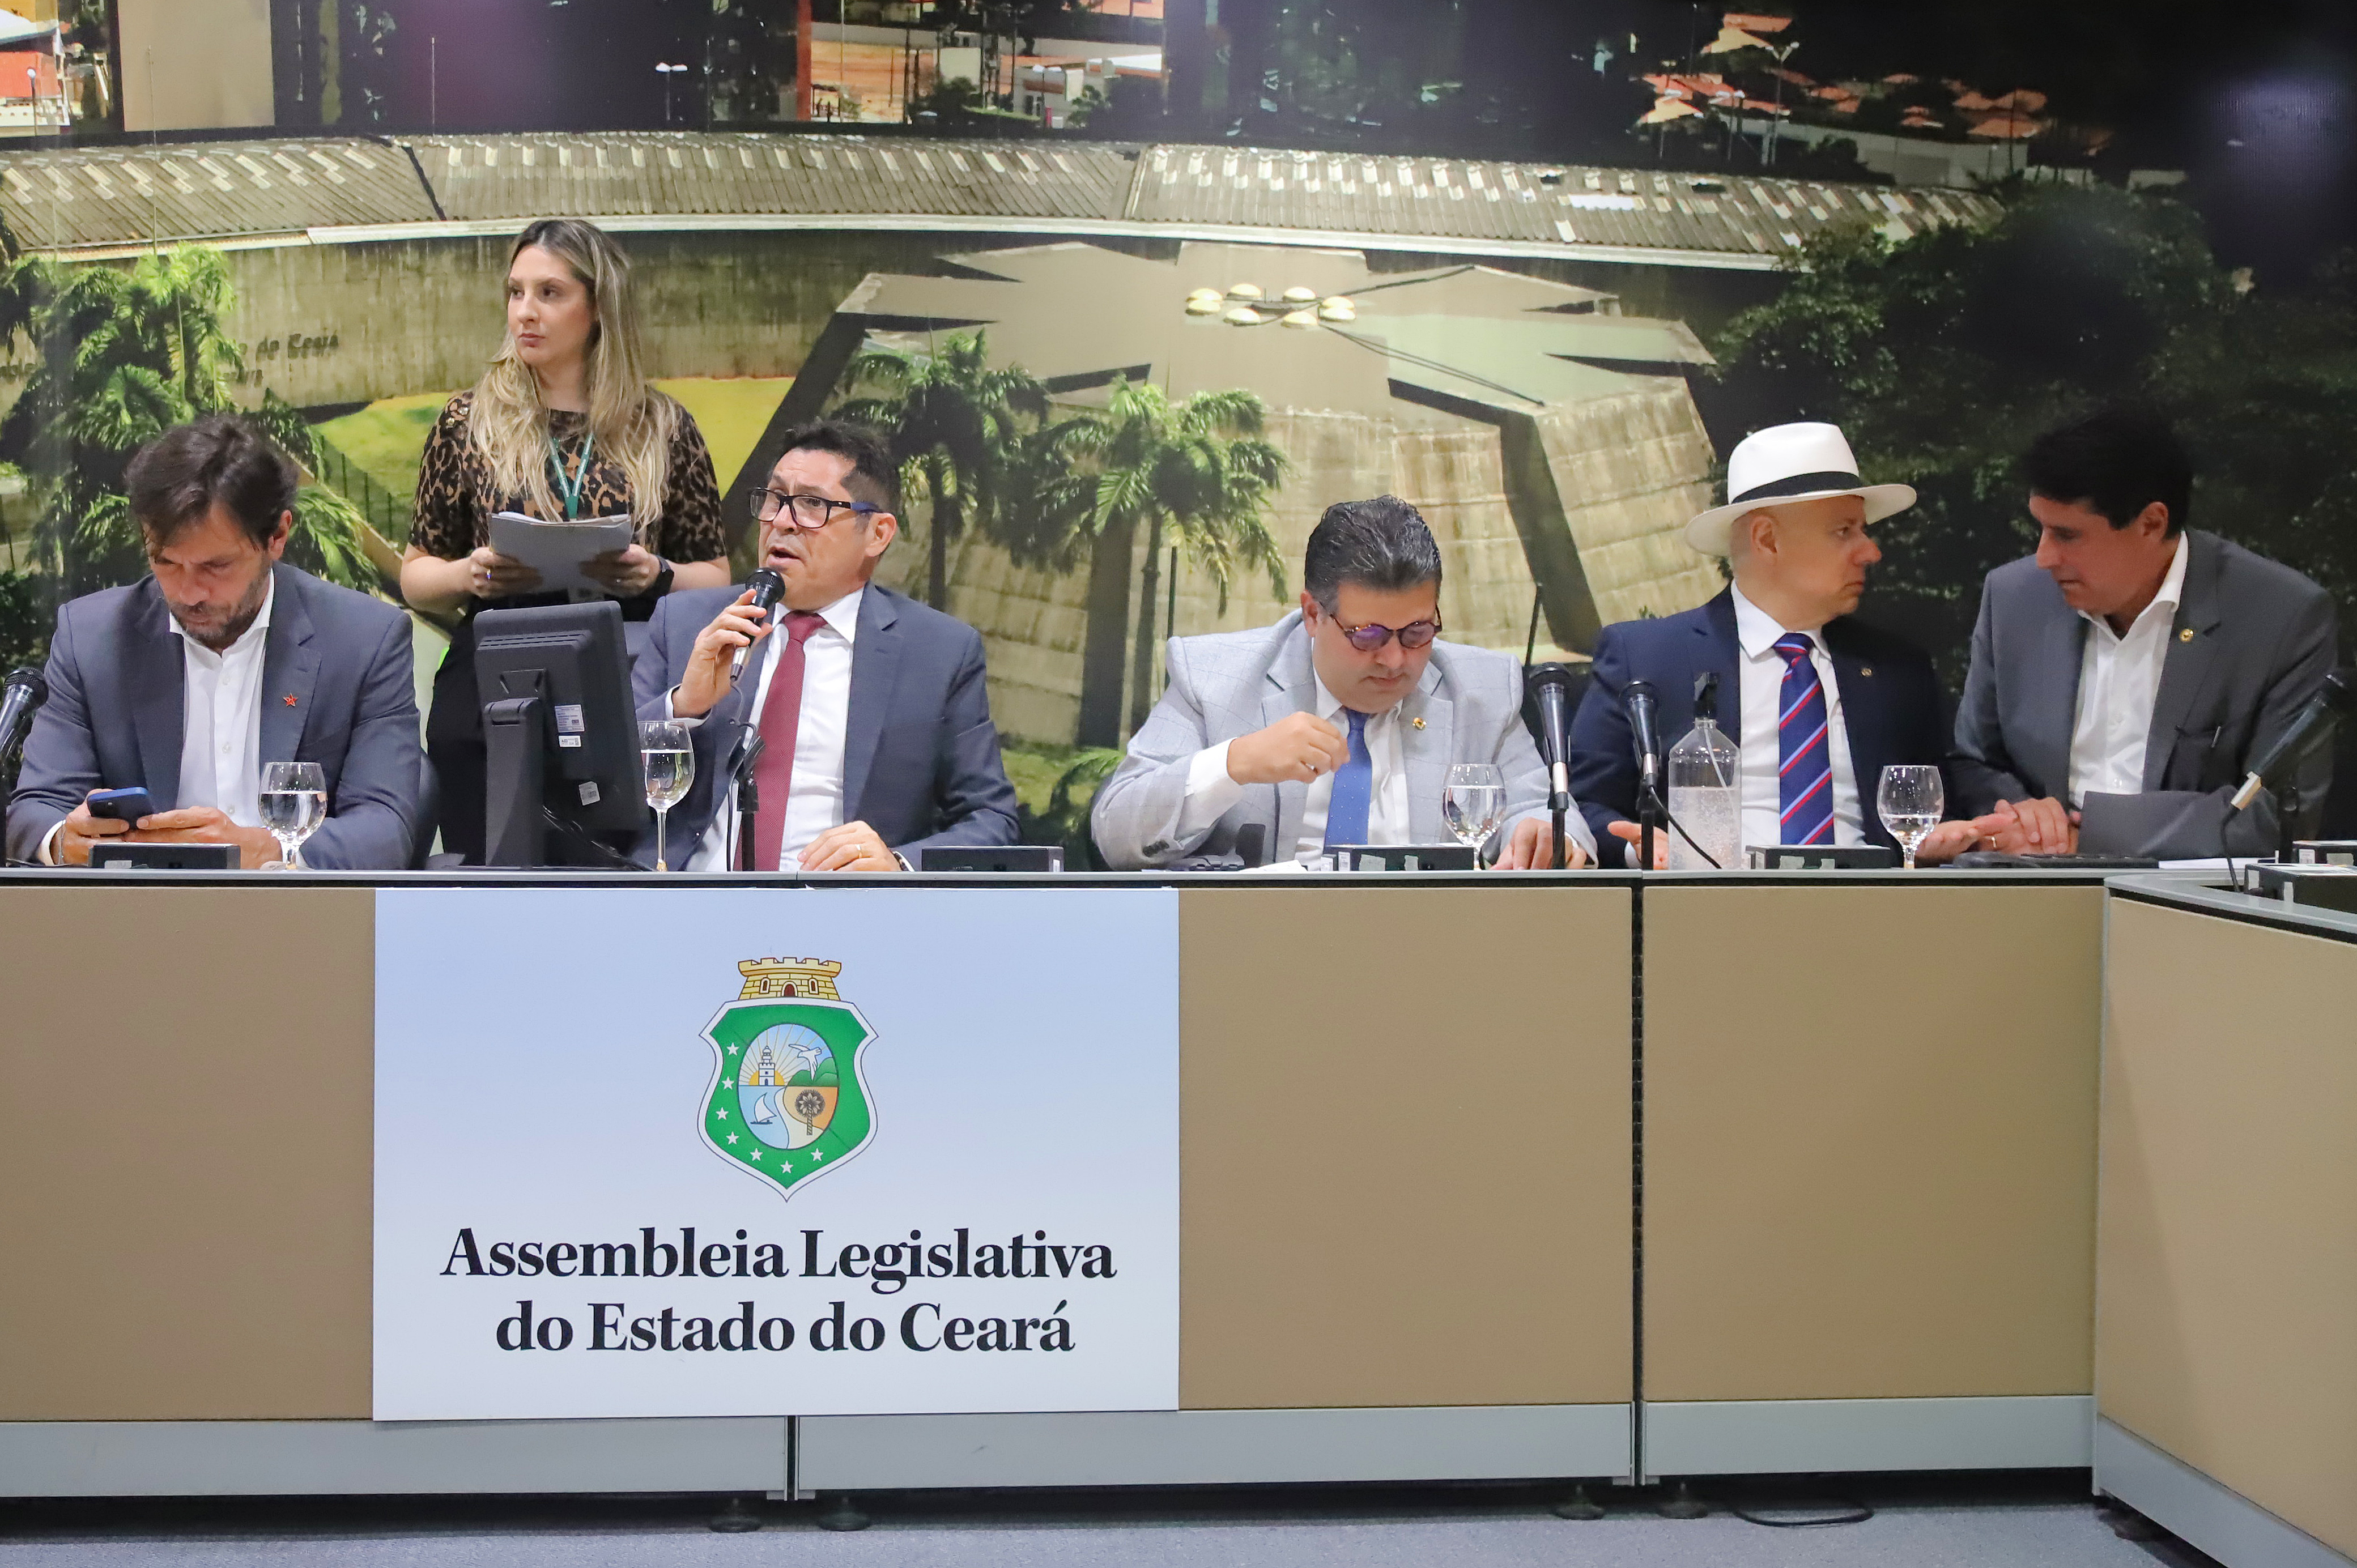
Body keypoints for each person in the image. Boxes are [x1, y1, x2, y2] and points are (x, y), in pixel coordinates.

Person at [401, 218, 731, 863]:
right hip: (495, 671)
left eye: (549, 293)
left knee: (606, 872)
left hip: (624, 671)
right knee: (488, 868)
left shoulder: (663, 426)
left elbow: (715, 575)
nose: (525, 312)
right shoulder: (468, 421)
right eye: (515, 292)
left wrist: (657, 574)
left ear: (598, 306)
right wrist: (469, 573)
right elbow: (417, 575)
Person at [7, 416, 422, 870]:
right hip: (136, 908)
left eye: (216, 566)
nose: (189, 593)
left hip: (294, 906)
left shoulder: (364, 641)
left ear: (277, 536)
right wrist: (65, 841)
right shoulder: (92, 639)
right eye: (165, 562)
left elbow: (385, 832)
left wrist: (267, 852)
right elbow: (36, 809)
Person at [1092, 495, 1592, 871]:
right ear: (1313, 614)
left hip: (1432, 950)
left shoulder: (1482, 689)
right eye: (1368, 635)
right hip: (1261, 951)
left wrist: (1548, 838)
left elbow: (1549, 817)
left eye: (1417, 632)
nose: (1395, 659)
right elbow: (1116, 832)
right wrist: (1234, 763)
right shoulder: (1215, 678)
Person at [1569, 421, 1962, 866]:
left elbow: (1938, 806)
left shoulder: (1896, 669)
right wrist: (1640, 847)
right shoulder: (1648, 658)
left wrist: (1941, 840)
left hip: (1872, 900)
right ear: (1767, 540)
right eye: (1844, 531)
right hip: (1709, 899)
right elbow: (1583, 805)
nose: (1870, 552)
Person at [633, 419, 1020, 871]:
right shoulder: (686, 624)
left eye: (812, 504)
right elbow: (597, 789)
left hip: (840, 905)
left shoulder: (938, 653)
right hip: (689, 897)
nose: (782, 522)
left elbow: (992, 820)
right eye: (775, 498)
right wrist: (684, 707)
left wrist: (897, 865)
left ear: (878, 533)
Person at [1952, 407, 2337, 859]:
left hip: (2196, 895)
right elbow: (1974, 762)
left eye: (2067, 535)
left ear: (2151, 524)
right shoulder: (2013, 598)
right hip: (2030, 881)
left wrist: (2085, 836)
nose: (2044, 557)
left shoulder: (2282, 617)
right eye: (2041, 529)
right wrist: (2023, 820)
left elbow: (2278, 815)